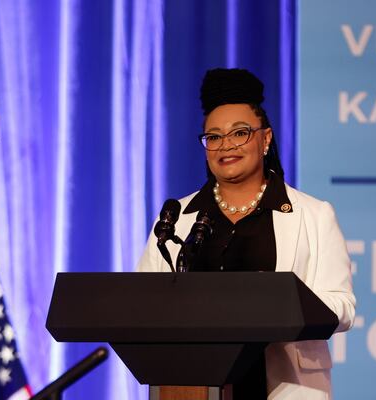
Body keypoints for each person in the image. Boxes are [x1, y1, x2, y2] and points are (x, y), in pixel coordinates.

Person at [137, 68, 356, 399]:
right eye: (214, 137)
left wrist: (280, 304)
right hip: (193, 386)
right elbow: (141, 303)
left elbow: (343, 306)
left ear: (265, 139)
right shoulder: (177, 219)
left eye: (240, 133)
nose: (226, 145)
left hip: (285, 386)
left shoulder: (313, 215)